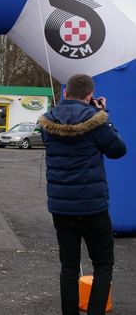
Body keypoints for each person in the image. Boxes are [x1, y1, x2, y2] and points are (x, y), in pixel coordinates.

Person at [38, 74, 126, 315]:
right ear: (90, 96)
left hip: (61, 208)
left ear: (65, 94)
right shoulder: (96, 120)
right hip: (92, 207)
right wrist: (104, 115)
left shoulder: (46, 122)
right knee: (103, 265)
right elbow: (118, 150)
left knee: (68, 267)